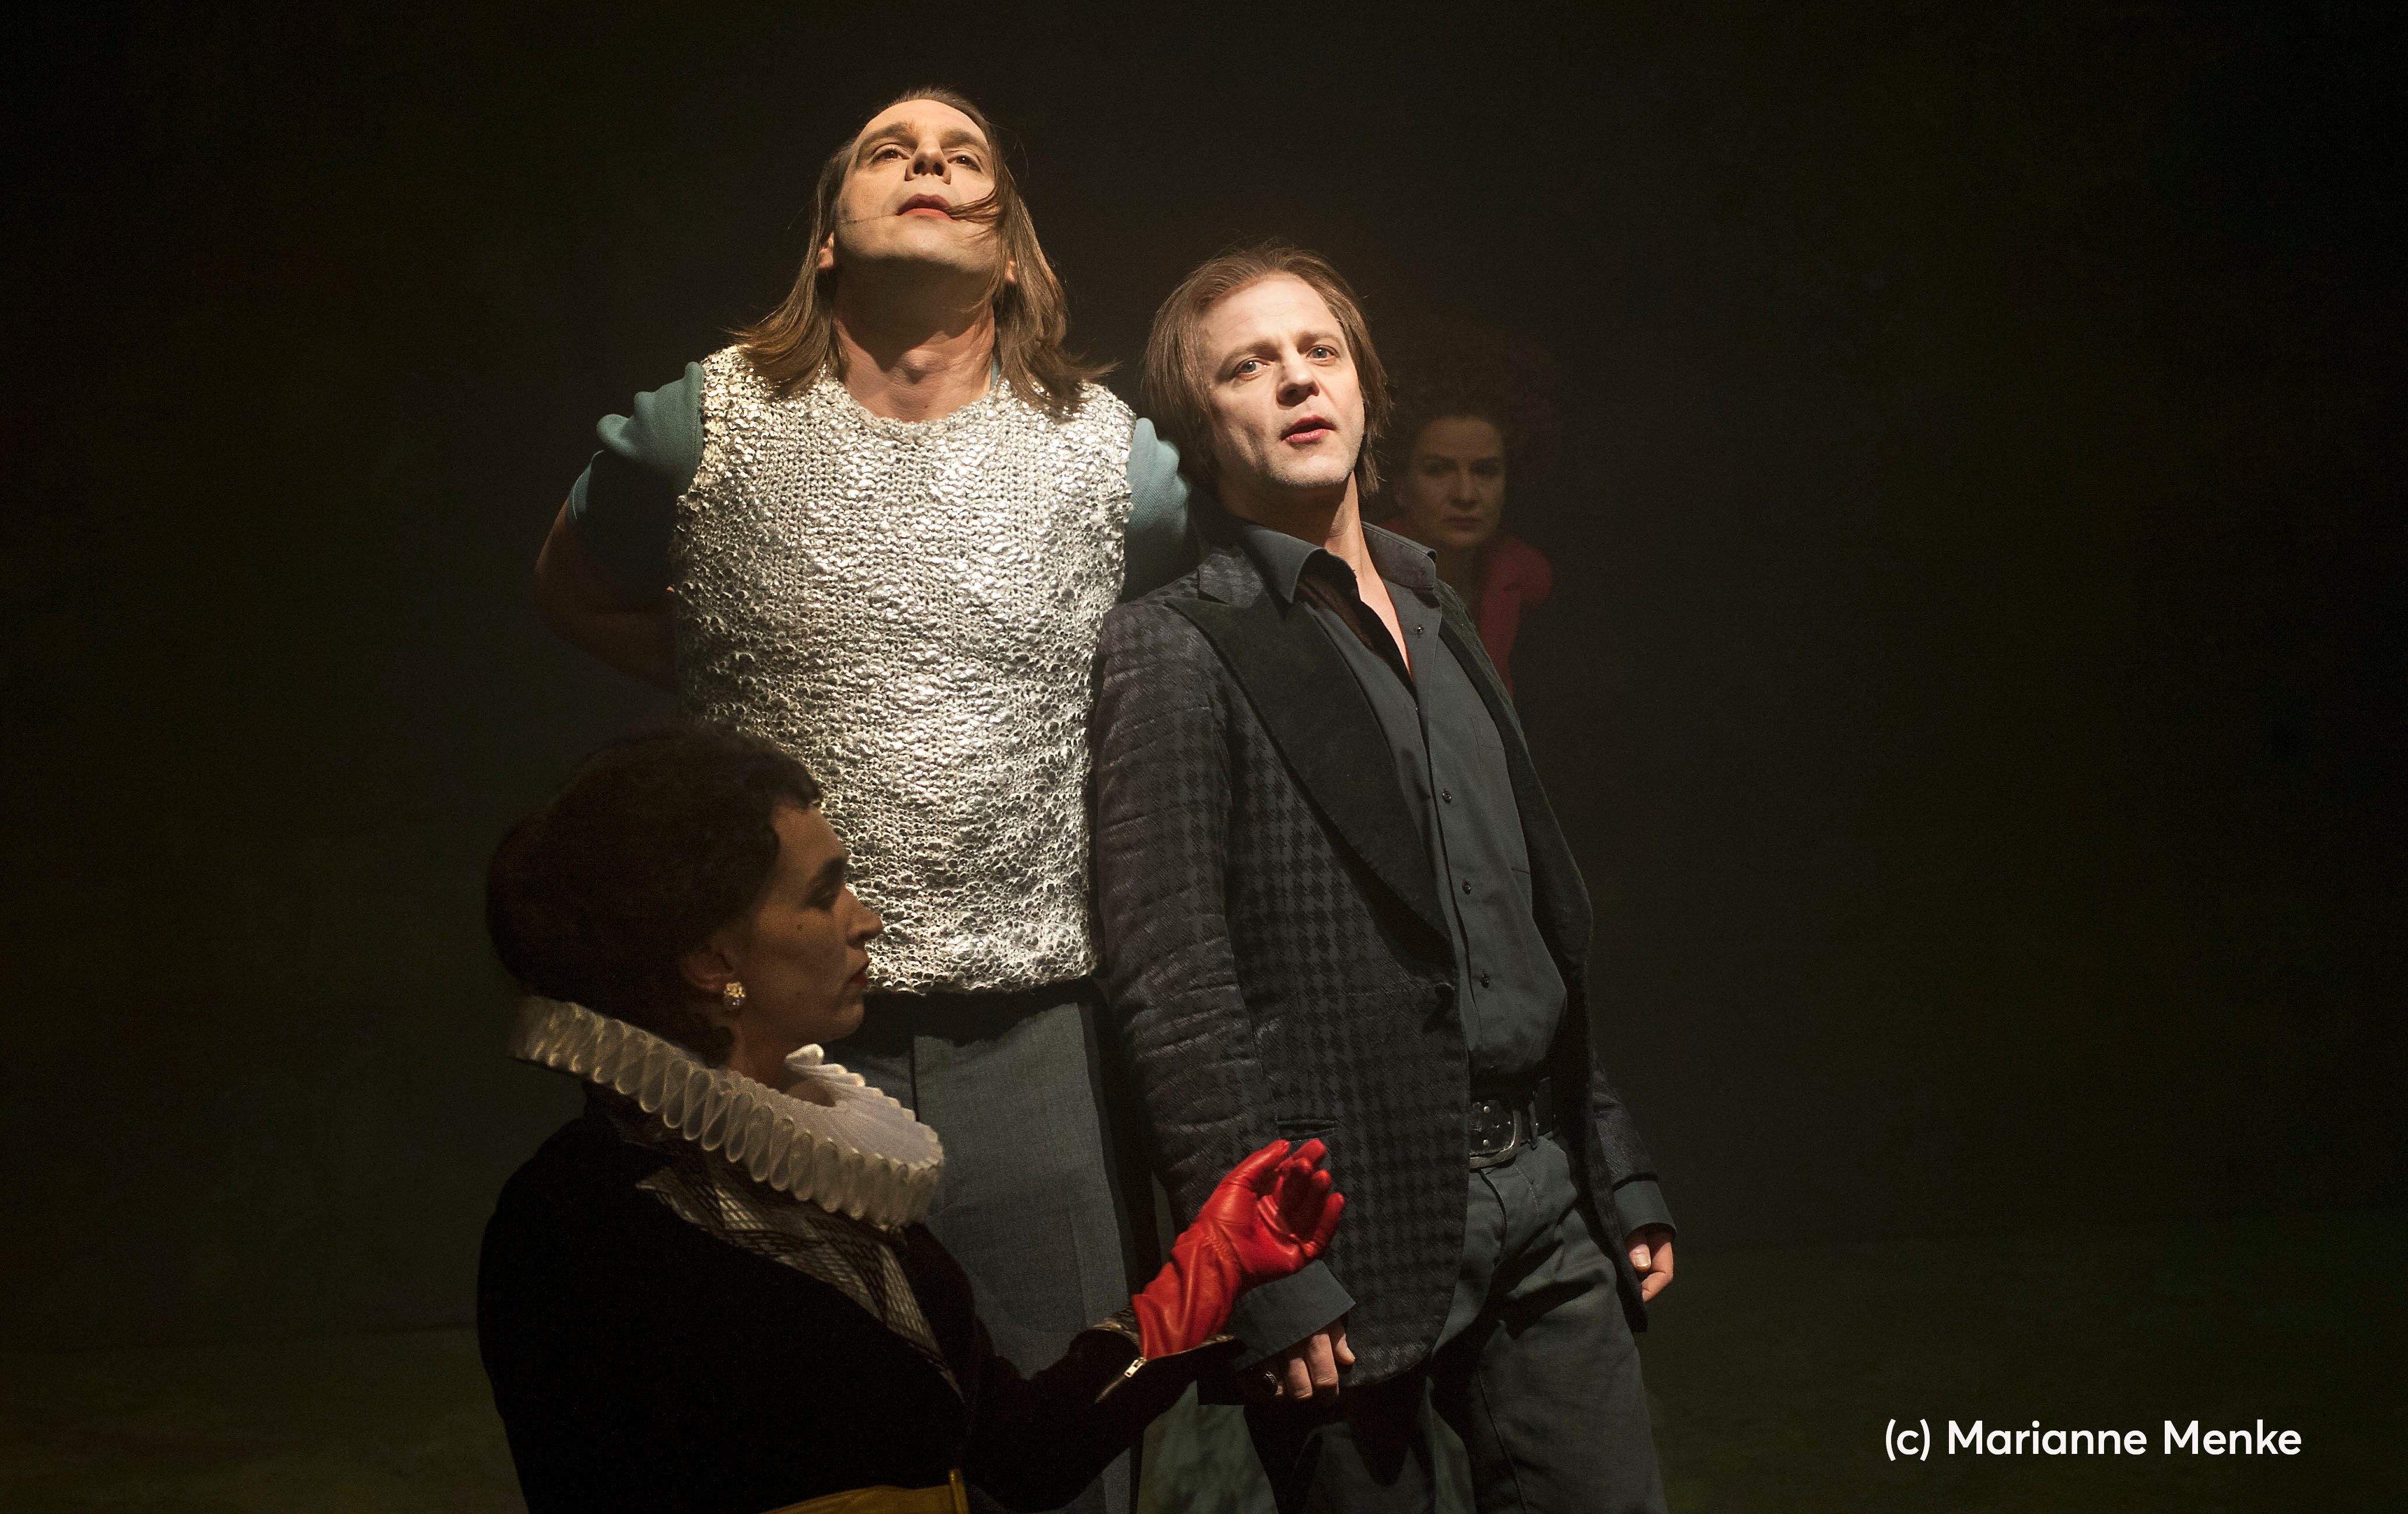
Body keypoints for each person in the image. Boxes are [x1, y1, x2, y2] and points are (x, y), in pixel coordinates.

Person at [526, 89, 1188, 1514]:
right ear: (828, 236)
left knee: (1059, 1448)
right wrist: (745, 668)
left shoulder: (1117, 463)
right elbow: (571, 587)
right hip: (760, 1042)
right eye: (891, 149)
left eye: (966, 155)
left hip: (1029, 1037)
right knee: (792, 1450)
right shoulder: (697, 426)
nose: (929, 161)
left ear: (1010, 248)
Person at [1090, 246, 1677, 1513]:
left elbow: (1522, 918)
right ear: (1198, 425)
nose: (1296, 378)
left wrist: (1611, 1159)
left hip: (1546, 1193)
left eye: (1320, 350)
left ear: (1365, 387)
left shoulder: (1439, 608)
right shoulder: (1174, 648)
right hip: (1345, 1224)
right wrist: (1263, 1271)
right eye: (1248, 365)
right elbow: (1173, 985)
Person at [477, 725, 1343, 1514]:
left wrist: (1210, 1268)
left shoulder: (826, 1170)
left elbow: (1018, 1454)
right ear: (713, 959)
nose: (867, 920)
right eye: (824, 894)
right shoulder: (577, 1219)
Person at [1374, 317, 1556, 696]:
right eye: (1438, 470)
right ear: (1402, 487)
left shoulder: (1526, 582)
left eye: (1485, 471)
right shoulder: (1361, 582)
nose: (1465, 494)